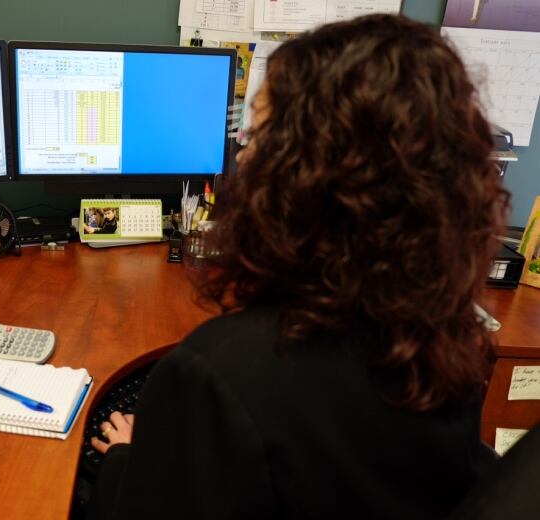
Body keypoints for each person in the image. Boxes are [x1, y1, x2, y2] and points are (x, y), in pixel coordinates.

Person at [86, 14, 509, 519]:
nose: (243, 158)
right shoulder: (451, 343)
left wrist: (133, 460)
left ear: (301, 178)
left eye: (256, 137)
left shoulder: (219, 374)